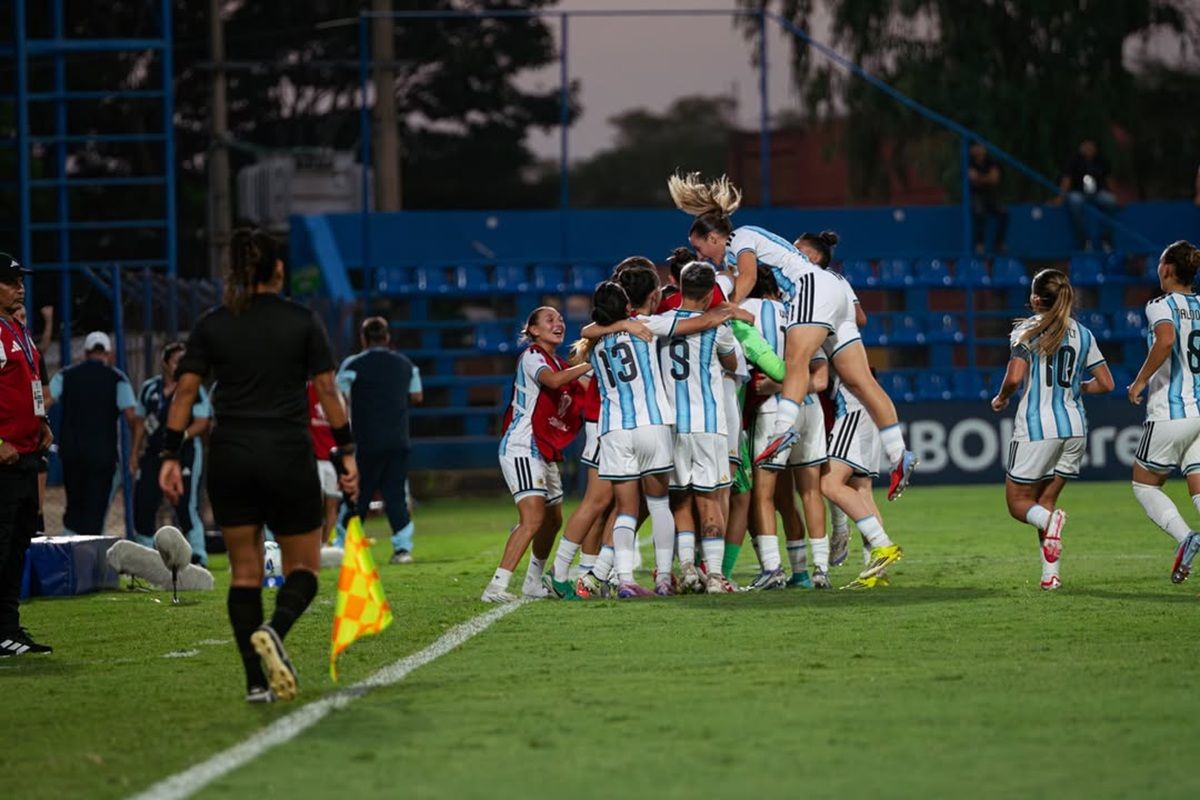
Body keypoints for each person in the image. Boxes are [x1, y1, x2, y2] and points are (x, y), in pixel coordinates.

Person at [159, 227, 358, 703]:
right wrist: (346, 451)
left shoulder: (213, 323)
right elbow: (328, 391)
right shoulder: (302, 320)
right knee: (304, 568)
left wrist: (169, 455)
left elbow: (185, 392)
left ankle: (254, 683)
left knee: (245, 574)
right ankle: (275, 629)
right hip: (287, 453)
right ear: (279, 270)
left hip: (231, 455)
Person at [668, 172, 918, 542]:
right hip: (834, 290)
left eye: (701, 247)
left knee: (796, 361)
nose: (702, 255)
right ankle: (899, 454)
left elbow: (748, 278)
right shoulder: (740, 248)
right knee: (860, 381)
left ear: (715, 237)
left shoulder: (741, 238)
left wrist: (726, 308)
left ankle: (782, 432)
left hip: (809, 288)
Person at [579, 270, 746, 597]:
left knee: (637, 507)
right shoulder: (651, 328)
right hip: (670, 424)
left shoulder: (598, 344)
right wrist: (726, 313)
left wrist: (618, 324)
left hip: (617, 430)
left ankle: (626, 577)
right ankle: (685, 577)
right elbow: (711, 336)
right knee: (679, 502)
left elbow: (588, 331)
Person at [991, 269, 1111, 590]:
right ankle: (1051, 576)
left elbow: (1014, 377)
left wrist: (1001, 398)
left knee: (1018, 503)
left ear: (1035, 298)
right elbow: (1106, 384)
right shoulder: (1083, 333)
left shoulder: (1028, 329)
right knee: (1044, 500)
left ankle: (1050, 522)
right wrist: (1075, 387)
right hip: (1075, 427)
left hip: (1037, 428)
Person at [483, 307, 591, 602]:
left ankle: (533, 581)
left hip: (544, 448)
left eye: (560, 319)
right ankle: (496, 586)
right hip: (522, 445)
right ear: (533, 330)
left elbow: (581, 384)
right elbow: (554, 381)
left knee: (552, 521)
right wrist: (587, 365)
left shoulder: (558, 362)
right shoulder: (532, 356)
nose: (559, 323)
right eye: (549, 320)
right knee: (532, 518)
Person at [660, 262, 740, 595]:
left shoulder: (661, 323)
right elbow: (732, 363)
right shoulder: (719, 327)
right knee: (711, 499)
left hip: (673, 426)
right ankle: (716, 576)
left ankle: (688, 571)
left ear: (679, 286)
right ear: (709, 294)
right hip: (708, 424)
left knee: (680, 500)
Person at [1127, 240, 1200, 583]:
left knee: (1144, 485)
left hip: (1171, 411)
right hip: (1199, 412)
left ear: (1168, 269)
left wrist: (1140, 381)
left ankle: (1186, 538)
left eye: (1160, 263)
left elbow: (1166, 339)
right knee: (1198, 488)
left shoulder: (1160, 304)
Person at [0, 254, 54, 656]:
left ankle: (8, 629)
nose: (20, 288)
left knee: (16, 547)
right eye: (11, 281)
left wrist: (42, 421)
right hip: (3, 459)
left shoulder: (16, 329)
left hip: (25, 456)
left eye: (20, 281)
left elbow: (31, 384)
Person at [336, 317, 422, 564]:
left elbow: (337, 395)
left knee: (358, 495)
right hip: (398, 439)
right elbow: (417, 396)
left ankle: (345, 545)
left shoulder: (353, 364)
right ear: (387, 338)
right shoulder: (405, 364)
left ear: (363, 339)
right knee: (396, 495)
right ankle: (402, 549)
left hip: (365, 441)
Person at [49, 331, 138, 536]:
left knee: (74, 508)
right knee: (96, 511)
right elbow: (132, 417)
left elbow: (45, 400)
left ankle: (70, 544)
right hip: (103, 456)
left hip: (72, 454)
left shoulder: (66, 375)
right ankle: (91, 548)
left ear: (86, 353)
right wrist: (135, 450)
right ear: (108, 354)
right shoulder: (117, 378)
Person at [130, 342, 212, 561]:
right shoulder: (149, 388)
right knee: (144, 502)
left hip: (186, 451)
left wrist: (179, 438)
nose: (182, 366)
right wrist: (135, 452)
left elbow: (202, 421)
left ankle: (198, 555)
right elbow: (140, 422)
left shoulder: (194, 388)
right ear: (165, 364)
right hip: (154, 452)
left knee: (186, 504)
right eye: (177, 361)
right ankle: (146, 555)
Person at [12, 305, 51, 534]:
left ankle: (37, 521)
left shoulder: (31, 352)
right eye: (15, 314)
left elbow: (42, 392)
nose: (19, 319)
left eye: (24, 316)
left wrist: (39, 419)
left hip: (29, 438)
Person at [1056, 138, 1118, 252]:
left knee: (1110, 201)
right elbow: (1067, 180)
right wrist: (1060, 198)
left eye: (1091, 146)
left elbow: (1108, 179)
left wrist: (1116, 195)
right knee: (1074, 201)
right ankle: (1084, 240)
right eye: (1086, 146)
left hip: (1097, 193)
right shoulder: (1074, 161)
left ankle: (1106, 238)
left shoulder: (1101, 160)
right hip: (1079, 192)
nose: (1089, 149)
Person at [967, 142, 1008, 254]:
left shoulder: (991, 161)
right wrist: (987, 178)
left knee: (1003, 212)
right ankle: (979, 244)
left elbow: (994, 179)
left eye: (980, 146)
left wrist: (979, 178)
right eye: (976, 147)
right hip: (976, 195)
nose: (979, 150)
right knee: (979, 212)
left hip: (990, 195)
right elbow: (972, 179)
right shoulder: (968, 162)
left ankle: (999, 243)